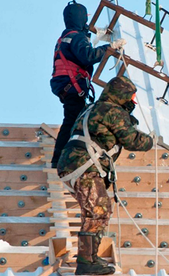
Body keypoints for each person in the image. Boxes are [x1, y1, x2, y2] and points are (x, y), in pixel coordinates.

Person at [57, 76, 153, 275]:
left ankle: (89, 258)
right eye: (131, 98)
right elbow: (133, 140)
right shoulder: (112, 111)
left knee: (95, 211)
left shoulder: (92, 108)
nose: (133, 102)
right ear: (122, 95)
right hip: (85, 165)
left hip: (73, 163)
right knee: (98, 211)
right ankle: (86, 262)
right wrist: (152, 140)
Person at [50, 1, 126, 168]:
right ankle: (60, 160)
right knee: (72, 122)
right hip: (72, 87)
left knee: (75, 120)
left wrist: (96, 34)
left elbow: (79, 51)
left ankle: (64, 158)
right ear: (81, 18)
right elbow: (88, 56)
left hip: (66, 86)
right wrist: (109, 47)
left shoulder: (66, 36)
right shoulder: (76, 37)